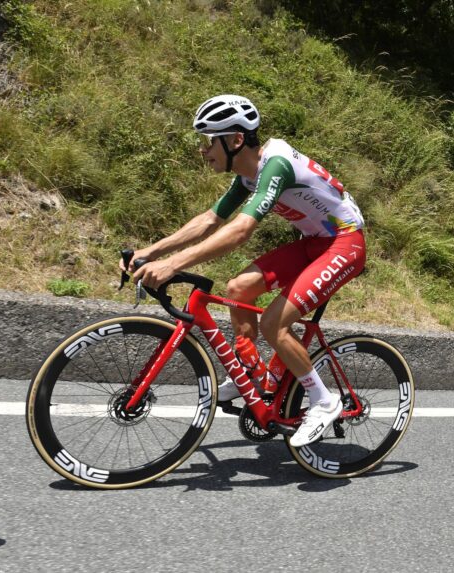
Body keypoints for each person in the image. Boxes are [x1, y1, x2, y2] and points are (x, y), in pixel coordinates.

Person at [123, 94, 366, 447]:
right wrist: (150, 252)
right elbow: (210, 220)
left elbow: (239, 231)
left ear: (236, 140)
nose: (204, 150)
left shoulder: (276, 165)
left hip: (345, 242)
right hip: (315, 240)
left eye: (210, 141)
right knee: (238, 288)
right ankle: (249, 376)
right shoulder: (249, 174)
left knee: (273, 323)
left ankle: (324, 401)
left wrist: (173, 264)